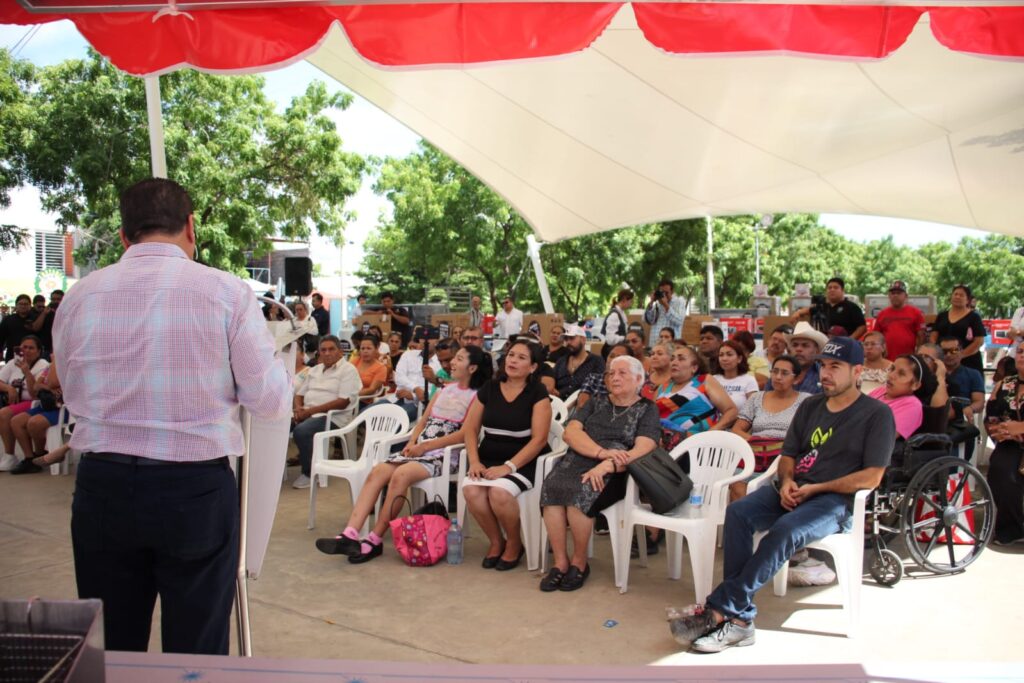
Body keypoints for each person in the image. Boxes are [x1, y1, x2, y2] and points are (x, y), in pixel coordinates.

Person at [52, 178, 291, 655]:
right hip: (194, 490)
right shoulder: (226, 292)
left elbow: (70, 388)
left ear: (124, 235)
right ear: (191, 227)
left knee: (114, 648)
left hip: (103, 485)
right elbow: (267, 401)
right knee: (196, 649)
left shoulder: (80, 296)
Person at [669, 337, 895, 653]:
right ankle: (741, 621)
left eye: (835, 367)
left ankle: (720, 610)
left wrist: (816, 488)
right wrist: (787, 480)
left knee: (785, 530)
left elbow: (872, 476)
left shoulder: (876, 415)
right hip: (792, 489)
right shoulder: (811, 406)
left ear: (857, 371)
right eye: (823, 366)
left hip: (834, 501)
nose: (826, 374)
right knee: (738, 513)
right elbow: (788, 454)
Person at [315, 346, 492, 563]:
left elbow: (466, 434)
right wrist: (411, 442)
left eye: (459, 359)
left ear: (472, 367)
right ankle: (350, 534)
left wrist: (425, 447)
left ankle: (374, 539)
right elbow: (423, 422)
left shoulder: (478, 397)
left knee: (401, 475)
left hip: (445, 455)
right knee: (378, 471)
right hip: (420, 450)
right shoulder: (445, 390)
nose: (452, 362)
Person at [539, 355, 660, 591]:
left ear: (639, 379)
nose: (614, 377)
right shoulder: (596, 401)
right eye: (611, 373)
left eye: (622, 373)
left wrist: (610, 464)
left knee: (580, 492)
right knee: (552, 487)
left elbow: (645, 447)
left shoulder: (647, 408)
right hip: (584, 456)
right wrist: (601, 453)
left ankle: (579, 563)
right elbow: (570, 433)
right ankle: (560, 563)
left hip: (619, 469)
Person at [462, 339, 552, 570]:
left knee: (499, 493)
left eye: (522, 358)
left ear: (532, 367)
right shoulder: (490, 388)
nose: (513, 360)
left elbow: (539, 439)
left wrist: (509, 467)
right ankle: (496, 541)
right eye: (511, 355)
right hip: (489, 456)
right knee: (471, 490)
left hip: (525, 460)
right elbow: (470, 429)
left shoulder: (538, 392)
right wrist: (474, 460)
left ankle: (514, 543)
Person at [730, 355, 809, 500]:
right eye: (775, 371)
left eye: (784, 373)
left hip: (786, 456)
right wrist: (757, 441)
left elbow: (808, 435)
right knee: (736, 484)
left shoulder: (806, 401)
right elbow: (737, 430)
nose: (778, 377)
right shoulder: (756, 398)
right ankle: (741, 520)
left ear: (796, 379)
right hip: (756, 454)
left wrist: (776, 444)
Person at [290, 335, 363, 489]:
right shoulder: (315, 370)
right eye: (323, 350)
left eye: (331, 349)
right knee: (278, 426)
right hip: (308, 413)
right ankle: (275, 472)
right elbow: (299, 394)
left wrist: (309, 412)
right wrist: (298, 409)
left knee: (302, 431)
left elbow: (343, 402)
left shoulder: (348, 370)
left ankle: (311, 474)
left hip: (333, 417)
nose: (327, 353)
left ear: (340, 352)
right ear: (319, 353)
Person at [652, 345, 737, 451]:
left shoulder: (704, 381)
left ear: (694, 367)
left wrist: (711, 433)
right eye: (672, 359)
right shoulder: (662, 387)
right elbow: (650, 417)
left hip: (698, 445)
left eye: (681, 358)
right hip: (662, 445)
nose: (674, 362)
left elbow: (732, 411)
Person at [984, 340, 1024, 546]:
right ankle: (1012, 529)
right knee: (1001, 469)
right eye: (1020, 351)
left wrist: (1021, 428)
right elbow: (991, 415)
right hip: (1010, 443)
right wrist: (998, 431)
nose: (1022, 356)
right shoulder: (1004, 384)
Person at [6, 351, 65, 475]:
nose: (52, 354)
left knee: (34, 423)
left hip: (63, 408)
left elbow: (52, 382)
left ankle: (39, 454)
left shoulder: (66, 366)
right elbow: (37, 386)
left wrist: (49, 382)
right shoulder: (49, 367)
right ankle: (29, 458)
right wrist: (49, 388)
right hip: (47, 405)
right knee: (16, 421)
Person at [0, 335, 51, 471]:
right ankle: (9, 455)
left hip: (34, 402)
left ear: (39, 351)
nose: (26, 350)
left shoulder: (43, 365)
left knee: (4, 413)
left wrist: (27, 372)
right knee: (4, 414)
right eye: (24, 347)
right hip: (16, 402)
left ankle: (12, 456)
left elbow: (35, 394)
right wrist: (9, 388)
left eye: (31, 348)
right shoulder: (13, 363)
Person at [868, 355, 931, 439]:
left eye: (901, 374)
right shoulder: (881, 390)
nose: (891, 375)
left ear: (915, 385)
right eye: (892, 369)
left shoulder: (912, 405)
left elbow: (883, 438)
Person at [931, 284, 986, 375]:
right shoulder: (942, 315)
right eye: (955, 294)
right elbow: (933, 336)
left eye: (961, 295)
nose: (957, 297)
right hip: (944, 359)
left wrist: (960, 356)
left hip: (968, 361)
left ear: (967, 300)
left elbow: (979, 341)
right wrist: (939, 353)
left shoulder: (974, 317)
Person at [789, 277, 866, 339]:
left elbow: (862, 327)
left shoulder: (851, 307)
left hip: (844, 344)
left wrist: (850, 339)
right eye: (829, 288)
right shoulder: (822, 306)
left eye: (835, 288)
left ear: (842, 291)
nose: (832, 290)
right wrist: (798, 313)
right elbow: (808, 310)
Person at [765, 322, 826, 395]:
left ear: (817, 351)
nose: (798, 349)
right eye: (795, 345)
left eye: (805, 345)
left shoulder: (824, 375)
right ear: (789, 350)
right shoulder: (778, 373)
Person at [873, 280, 925, 360]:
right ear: (889, 296)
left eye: (899, 293)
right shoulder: (882, 314)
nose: (895, 295)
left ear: (906, 296)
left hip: (909, 359)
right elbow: (876, 336)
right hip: (886, 359)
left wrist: (918, 354)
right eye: (893, 293)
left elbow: (921, 336)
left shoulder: (916, 313)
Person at [553, 324, 605, 398]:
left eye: (572, 338)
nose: (568, 342)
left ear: (583, 340)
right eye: (566, 339)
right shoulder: (561, 361)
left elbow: (600, 389)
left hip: (586, 405)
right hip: (560, 405)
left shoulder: (596, 361)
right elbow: (551, 380)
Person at [577, 343, 630, 408]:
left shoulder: (632, 383)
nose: (613, 360)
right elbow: (582, 405)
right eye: (611, 356)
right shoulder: (593, 378)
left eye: (619, 357)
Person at [713, 340, 758, 413]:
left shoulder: (749, 380)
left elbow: (753, 410)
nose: (724, 359)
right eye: (721, 355)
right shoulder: (713, 379)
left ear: (739, 359)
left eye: (729, 354)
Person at [354, 335, 389, 408]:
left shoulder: (381, 368)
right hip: (346, 398)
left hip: (362, 401)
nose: (365, 351)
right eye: (362, 348)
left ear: (376, 349)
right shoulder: (355, 361)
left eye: (369, 348)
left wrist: (351, 395)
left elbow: (372, 389)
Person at [0, 294, 37, 362]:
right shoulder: (8, 319)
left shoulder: (36, 319)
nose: (23, 306)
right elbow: (1, 337)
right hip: (12, 354)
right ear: (16, 305)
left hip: (32, 356)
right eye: (20, 304)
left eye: (26, 304)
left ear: (30, 306)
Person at [27, 289, 63, 359]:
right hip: (46, 349)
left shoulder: (68, 312)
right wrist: (44, 313)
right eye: (53, 299)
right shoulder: (45, 312)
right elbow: (35, 328)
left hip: (61, 348)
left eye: (58, 299)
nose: (55, 301)